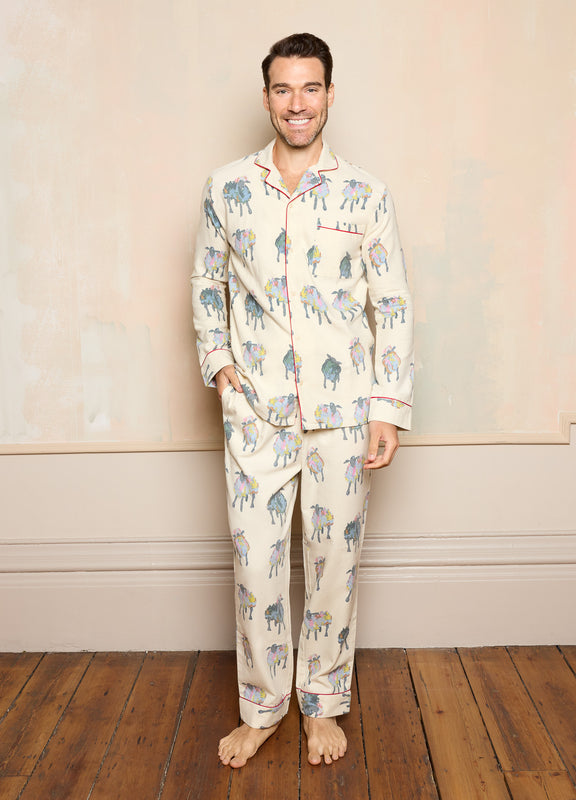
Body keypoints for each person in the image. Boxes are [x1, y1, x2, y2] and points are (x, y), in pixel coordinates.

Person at [191, 32, 414, 768]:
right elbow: (205, 289)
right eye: (283, 89)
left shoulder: (366, 194)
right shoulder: (227, 187)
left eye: (310, 88)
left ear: (328, 93)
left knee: (332, 567)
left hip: (345, 417)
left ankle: (321, 702)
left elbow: (393, 304)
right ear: (266, 96)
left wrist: (386, 406)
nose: (297, 103)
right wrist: (222, 367)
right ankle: (261, 708)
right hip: (255, 416)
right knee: (256, 568)